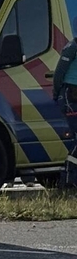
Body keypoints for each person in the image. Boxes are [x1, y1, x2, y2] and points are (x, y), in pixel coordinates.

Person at [52, 35, 77, 185]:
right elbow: (59, 73)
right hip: (72, 96)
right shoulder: (72, 47)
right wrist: (56, 94)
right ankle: (68, 177)